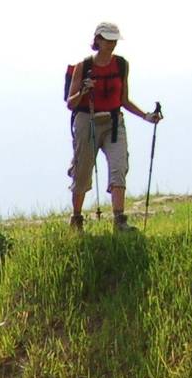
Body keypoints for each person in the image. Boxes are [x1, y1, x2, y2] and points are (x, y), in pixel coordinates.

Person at [66, 22, 162, 232]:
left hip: (114, 122)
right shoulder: (84, 67)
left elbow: (124, 100)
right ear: (97, 40)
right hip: (87, 120)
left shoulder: (121, 65)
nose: (111, 44)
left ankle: (120, 220)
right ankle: (76, 219)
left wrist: (147, 116)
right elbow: (70, 103)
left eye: (114, 40)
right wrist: (83, 91)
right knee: (82, 171)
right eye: (107, 40)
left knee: (119, 167)